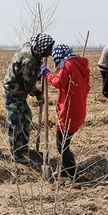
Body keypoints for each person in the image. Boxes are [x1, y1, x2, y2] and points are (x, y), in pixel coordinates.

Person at [2, 33, 54, 164]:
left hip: (19, 93)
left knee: (27, 118)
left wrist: (39, 70)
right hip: (12, 93)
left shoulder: (31, 48)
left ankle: (23, 150)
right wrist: (38, 94)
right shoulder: (29, 60)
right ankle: (16, 154)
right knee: (16, 123)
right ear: (41, 48)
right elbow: (28, 85)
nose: (49, 54)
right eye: (47, 51)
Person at [40, 44, 90, 178]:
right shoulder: (80, 65)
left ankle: (73, 175)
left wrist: (47, 73)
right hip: (79, 109)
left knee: (62, 145)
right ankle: (64, 171)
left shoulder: (67, 64)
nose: (58, 65)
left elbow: (59, 82)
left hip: (69, 112)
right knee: (64, 143)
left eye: (57, 62)